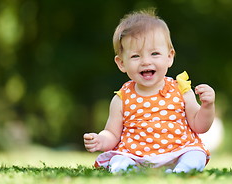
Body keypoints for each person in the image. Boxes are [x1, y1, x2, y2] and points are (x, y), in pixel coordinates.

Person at [83, 9, 216, 173]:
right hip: (135, 156)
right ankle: (130, 172)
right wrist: (101, 140)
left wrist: (207, 106)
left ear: (169, 57)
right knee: (119, 160)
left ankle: (179, 172)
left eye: (154, 53)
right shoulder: (122, 98)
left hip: (178, 153)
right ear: (121, 63)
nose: (146, 62)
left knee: (196, 155)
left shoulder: (181, 89)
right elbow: (112, 133)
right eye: (135, 56)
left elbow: (199, 125)